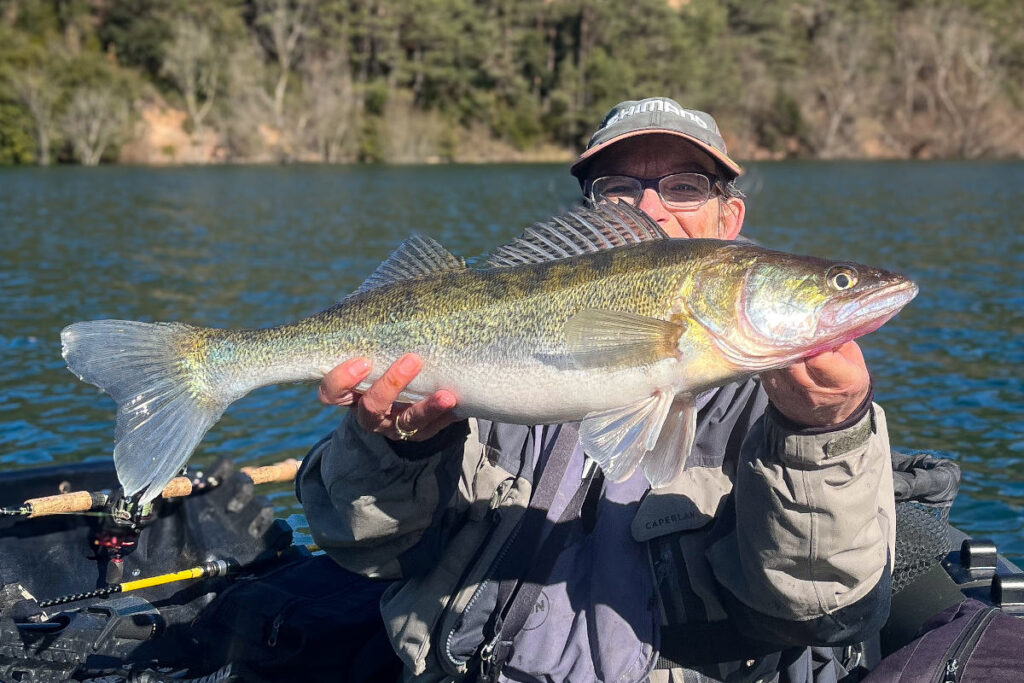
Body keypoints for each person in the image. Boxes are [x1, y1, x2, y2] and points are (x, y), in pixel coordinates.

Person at [297, 96, 896, 682]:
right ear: (589, 211)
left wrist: (820, 437)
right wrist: (395, 450)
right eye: (619, 190)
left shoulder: (785, 398)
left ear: (730, 220)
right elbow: (365, 548)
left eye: (684, 187)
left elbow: (822, 610)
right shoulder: (487, 384)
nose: (652, 210)